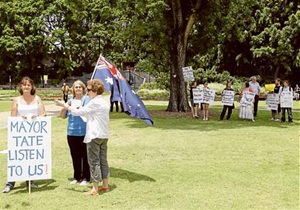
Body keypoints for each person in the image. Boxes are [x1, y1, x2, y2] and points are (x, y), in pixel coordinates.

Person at [55, 79, 110, 196]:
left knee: (94, 161)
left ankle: (95, 189)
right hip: (103, 135)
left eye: (89, 90)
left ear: (95, 91)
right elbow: (86, 114)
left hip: (94, 135)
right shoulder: (104, 101)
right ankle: (105, 185)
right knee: (103, 161)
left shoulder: (94, 102)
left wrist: (64, 105)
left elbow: (77, 113)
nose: (87, 92)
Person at [2, 76, 47, 193]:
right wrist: (20, 119)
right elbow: (12, 116)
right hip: (20, 133)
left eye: (28, 85)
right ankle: (10, 183)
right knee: (16, 157)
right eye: (24, 85)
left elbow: (43, 114)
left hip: (34, 133)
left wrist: (35, 117)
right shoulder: (16, 100)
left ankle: (30, 181)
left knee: (31, 157)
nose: (26, 87)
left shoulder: (37, 99)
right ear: (20, 87)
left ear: (32, 86)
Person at [59, 80, 90, 186]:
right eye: (76, 87)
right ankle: (77, 177)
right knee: (75, 155)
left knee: (85, 155)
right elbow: (63, 116)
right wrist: (64, 106)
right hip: (72, 132)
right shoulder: (70, 101)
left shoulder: (87, 100)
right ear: (73, 89)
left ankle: (86, 177)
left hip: (85, 132)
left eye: (79, 87)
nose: (78, 89)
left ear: (83, 89)